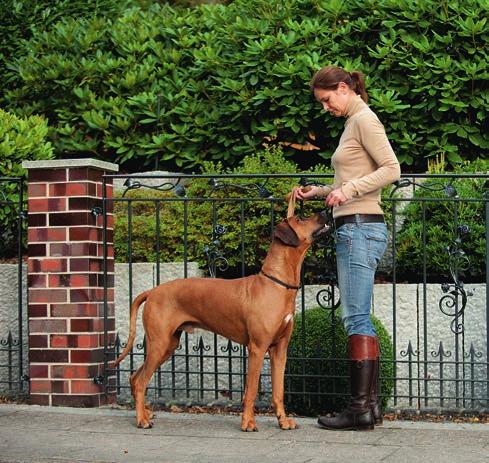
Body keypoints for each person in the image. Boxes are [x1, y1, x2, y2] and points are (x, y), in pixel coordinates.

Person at [293, 65, 401, 431]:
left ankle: (359, 409)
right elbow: (351, 179)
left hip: (360, 228)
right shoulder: (352, 123)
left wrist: (348, 191)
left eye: (326, 100)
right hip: (353, 226)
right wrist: (323, 191)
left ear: (343, 88)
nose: (326, 107)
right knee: (358, 317)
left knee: (355, 317)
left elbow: (392, 169)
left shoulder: (365, 120)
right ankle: (367, 409)